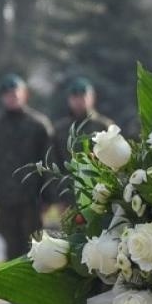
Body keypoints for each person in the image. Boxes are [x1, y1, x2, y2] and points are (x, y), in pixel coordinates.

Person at [0, 73, 53, 266]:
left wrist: (48, 197)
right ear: (2, 97)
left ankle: (34, 285)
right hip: (5, 200)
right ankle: (14, 285)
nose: (12, 98)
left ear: (25, 94)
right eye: (7, 95)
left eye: (15, 93)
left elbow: (49, 162)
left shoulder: (38, 125)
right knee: (12, 250)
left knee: (35, 250)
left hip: (32, 200)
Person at [48, 77, 115, 208]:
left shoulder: (104, 126)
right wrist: (57, 198)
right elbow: (54, 163)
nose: (79, 101)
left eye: (83, 96)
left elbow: (114, 161)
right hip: (69, 196)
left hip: (100, 195)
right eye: (75, 97)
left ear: (92, 97)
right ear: (69, 99)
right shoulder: (60, 129)